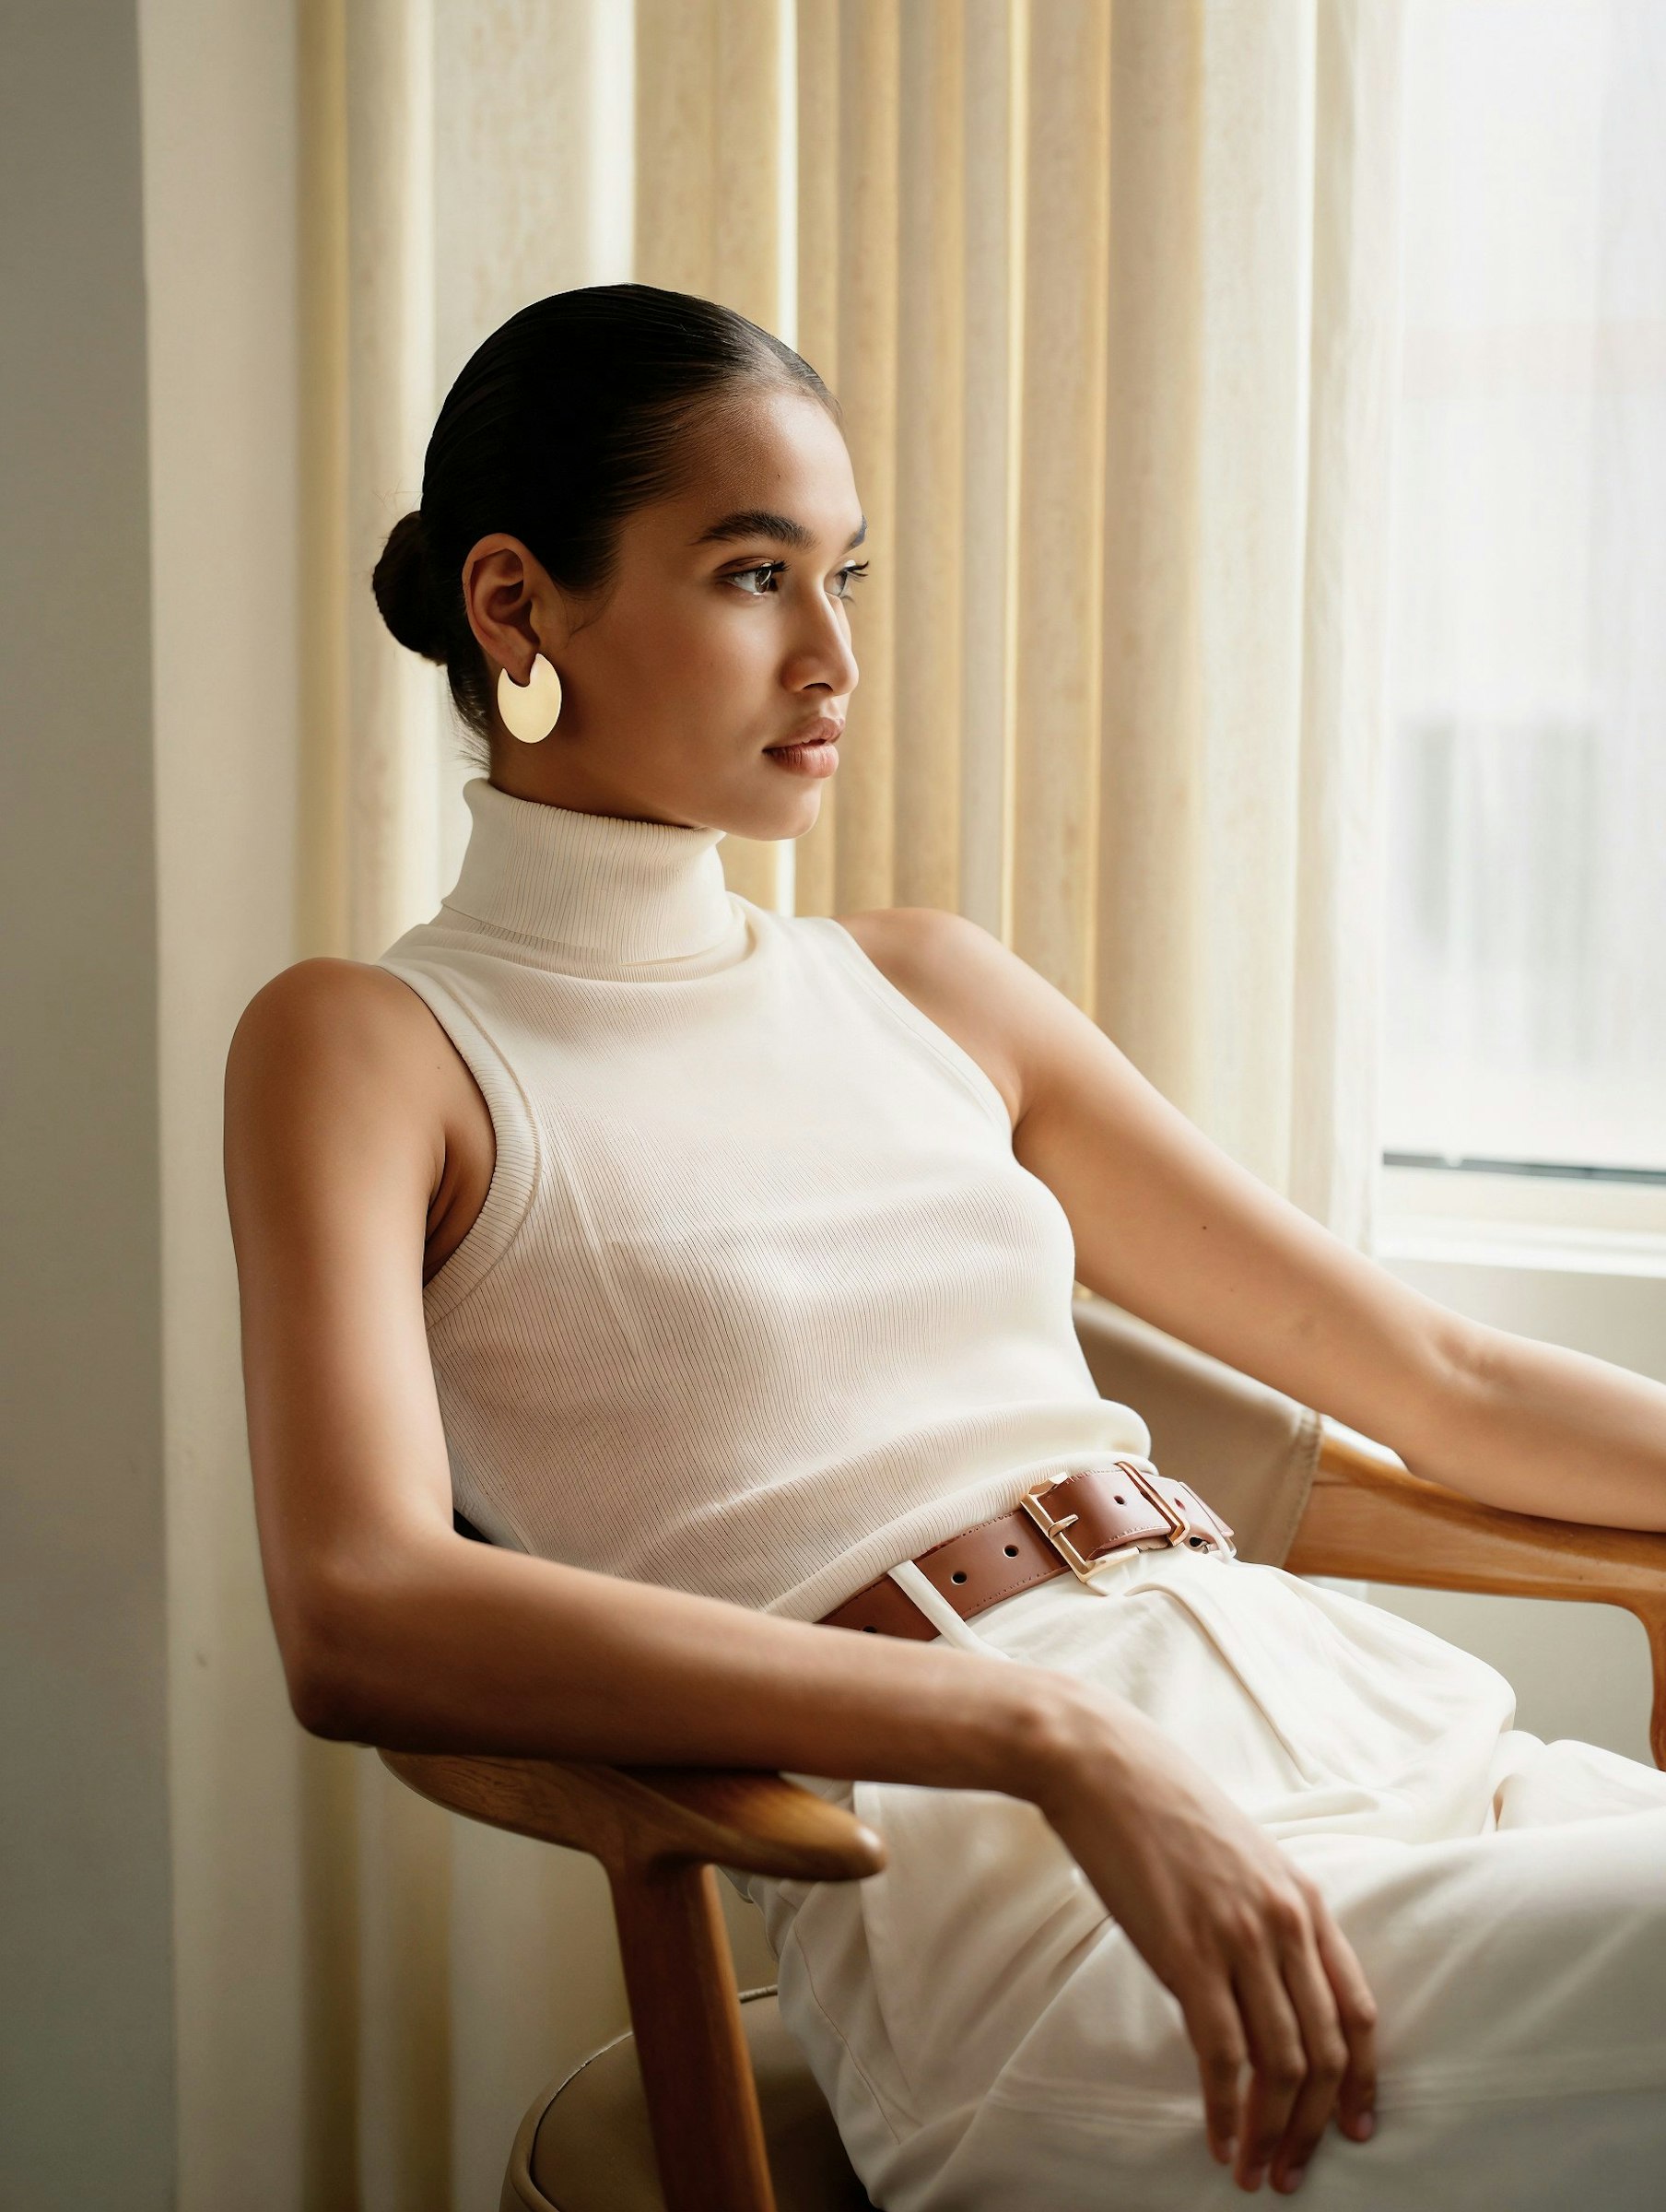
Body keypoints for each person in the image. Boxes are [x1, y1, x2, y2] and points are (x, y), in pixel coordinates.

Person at [225, 283, 1666, 2207]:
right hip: (1048, 1912)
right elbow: (363, 1606)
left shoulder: (921, 986)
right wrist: (1041, 1734)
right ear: (514, 609)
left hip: (1400, 1750)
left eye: (848, 576)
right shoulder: (374, 1048)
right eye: (752, 575)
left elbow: (1442, 1382)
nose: (830, 655)